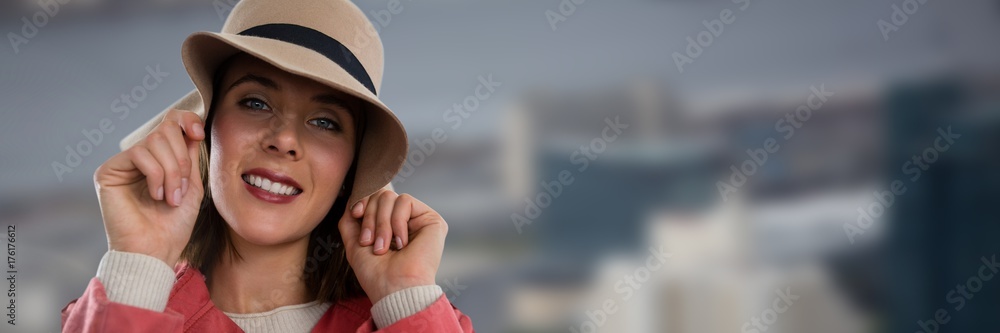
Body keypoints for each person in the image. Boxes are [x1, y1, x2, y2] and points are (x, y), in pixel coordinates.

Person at [60, 0, 474, 332]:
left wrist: (405, 297)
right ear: (205, 126)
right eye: (255, 103)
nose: (285, 139)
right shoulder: (124, 306)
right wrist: (139, 263)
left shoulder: (402, 320)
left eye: (325, 122)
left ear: (351, 168)